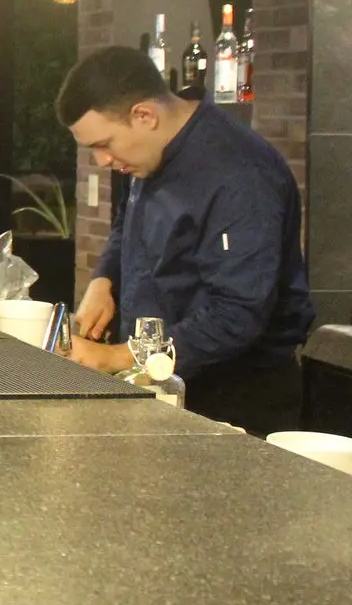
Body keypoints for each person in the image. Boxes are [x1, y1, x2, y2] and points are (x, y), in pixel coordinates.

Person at [56, 46, 314, 433]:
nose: (102, 161)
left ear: (144, 115)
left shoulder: (239, 175)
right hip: (156, 380)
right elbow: (127, 220)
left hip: (233, 399)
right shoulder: (147, 155)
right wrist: (104, 280)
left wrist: (115, 358)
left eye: (104, 144)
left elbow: (237, 314)